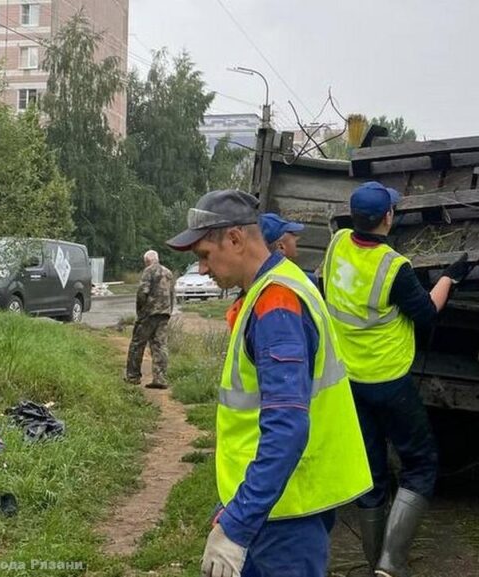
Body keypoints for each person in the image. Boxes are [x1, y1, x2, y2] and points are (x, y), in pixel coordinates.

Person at [166, 189, 372, 577]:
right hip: (277, 503)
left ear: (235, 239)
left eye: (204, 256)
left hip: (284, 515)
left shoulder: (276, 303)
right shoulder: (276, 286)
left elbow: (286, 427)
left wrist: (240, 521)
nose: (204, 270)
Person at [319, 181, 473, 576]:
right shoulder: (394, 267)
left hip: (349, 381)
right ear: (388, 217)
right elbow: (426, 313)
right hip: (389, 381)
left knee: (371, 471)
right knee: (421, 463)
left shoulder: (337, 244)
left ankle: (375, 561)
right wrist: (449, 278)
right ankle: (391, 561)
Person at [125, 249, 174, 389]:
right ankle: (160, 378)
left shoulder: (148, 271)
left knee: (137, 344)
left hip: (149, 313)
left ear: (147, 261)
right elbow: (171, 294)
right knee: (160, 346)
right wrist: (168, 311)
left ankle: (133, 376)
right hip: (164, 313)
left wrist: (140, 311)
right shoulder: (168, 272)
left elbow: (142, 292)